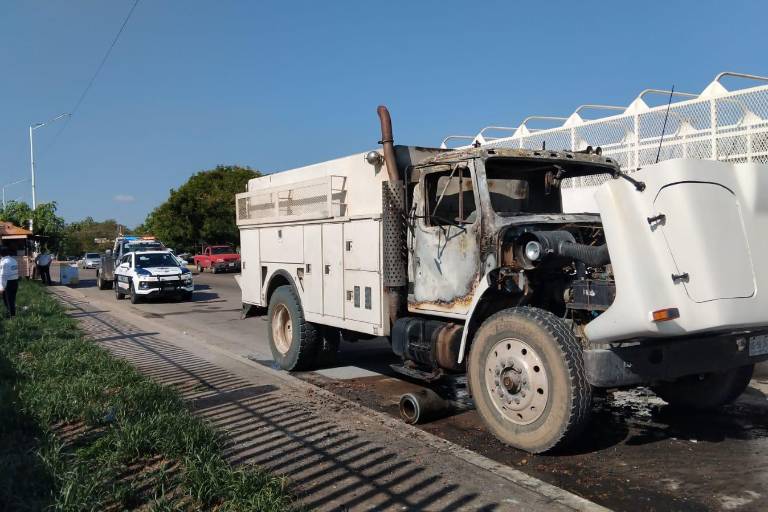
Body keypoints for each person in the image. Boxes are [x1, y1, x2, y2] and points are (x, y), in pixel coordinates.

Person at [0, 247, 19, 318]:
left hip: (7, 283)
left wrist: (1, 287)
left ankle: (12, 316)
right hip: (15, 282)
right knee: (12, 299)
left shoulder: (3, 262)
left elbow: (2, 276)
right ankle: (11, 313)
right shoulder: (13, 260)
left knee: (7, 300)